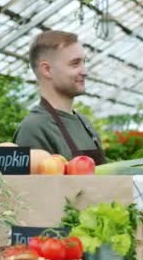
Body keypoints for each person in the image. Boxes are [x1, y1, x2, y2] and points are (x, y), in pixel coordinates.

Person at [13, 30, 106, 164]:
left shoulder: (84, 123)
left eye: (84, 62)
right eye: (75, 63)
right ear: (47, 70)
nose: (85, 71)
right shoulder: (34, 128)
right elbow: (28, 184)